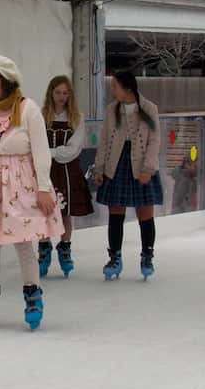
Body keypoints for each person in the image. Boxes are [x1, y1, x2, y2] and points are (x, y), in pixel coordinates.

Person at [0, 55, 62, 328]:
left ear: (7, 80)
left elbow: (42, 152)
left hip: (23, 183)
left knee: (23, 240)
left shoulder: (27, 109)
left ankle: (32, 294)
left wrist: (43, 188)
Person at [94, 70, 163, 281]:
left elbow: (154, 140)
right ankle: (114, 257)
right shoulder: (111, 110)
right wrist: (99, 168)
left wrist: (148, 169)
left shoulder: (149, 108)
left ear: (127, 88)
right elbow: (104, 139)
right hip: (116, 165)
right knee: (116, 212)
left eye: (115, 86)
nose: (112, 90)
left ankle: (147, 255)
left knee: (145, 212)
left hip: (141, 165)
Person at [39, 75, 92, 278]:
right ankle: (44, 251)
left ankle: (65, 249)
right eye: (58, 92)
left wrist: (50, 153)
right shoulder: (41, 116)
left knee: (65, 212)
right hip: (45, 171)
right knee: (43, 212)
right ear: (51, 93)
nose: (61, 97)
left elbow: (74, 148)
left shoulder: (76, 117)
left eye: (65, 92)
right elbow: (35, 143)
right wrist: (46, 156)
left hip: (68, 171)